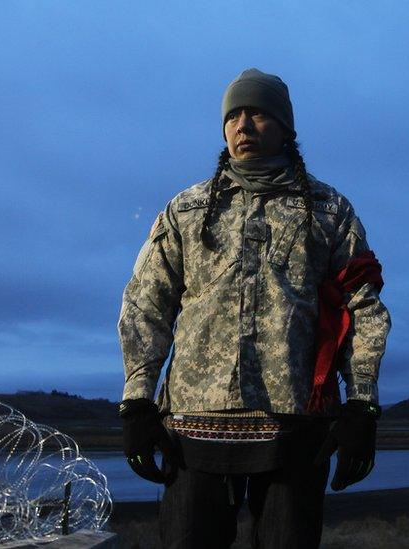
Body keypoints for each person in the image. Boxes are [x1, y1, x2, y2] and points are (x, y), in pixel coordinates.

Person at [117, 68, 391, 549]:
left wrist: (362, 404)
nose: (243, 124)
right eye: (234, 115)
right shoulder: (186, 209)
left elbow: (362, 305)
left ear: (285, 126)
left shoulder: (330, 210)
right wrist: (138, 400)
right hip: (191, 428)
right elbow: (146, 302)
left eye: (258, 113)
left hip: (297, 428)